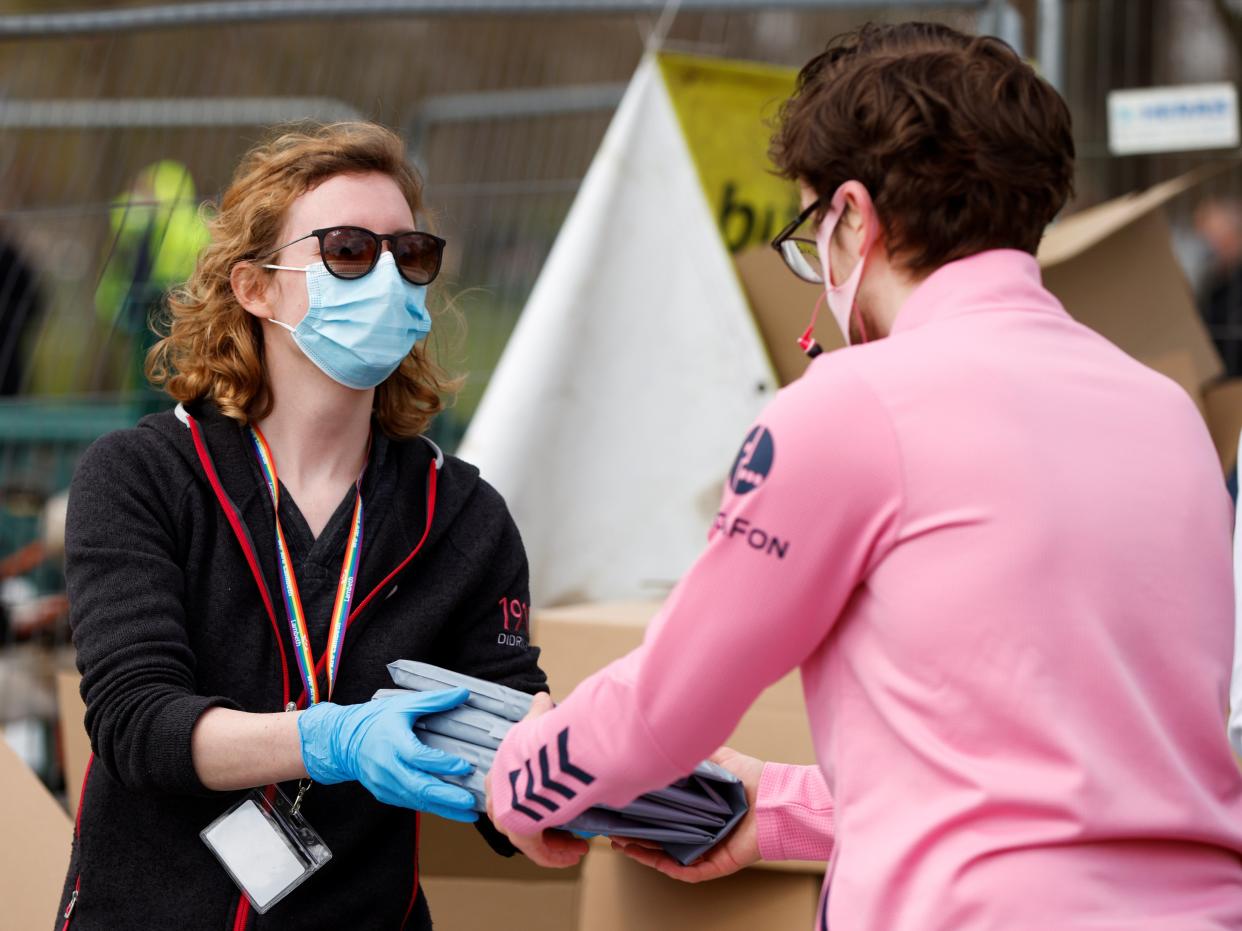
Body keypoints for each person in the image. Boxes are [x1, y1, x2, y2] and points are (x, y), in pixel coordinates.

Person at [485, 22, 1242, 930]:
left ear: (851, 213)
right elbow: (1077, 770)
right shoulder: (1165, 410)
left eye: (811, 228)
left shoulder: (850, 406)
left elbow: (667, 705)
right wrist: (788, 813)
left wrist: (519, 780)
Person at [58, 122, 546, 930]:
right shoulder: (140, 476)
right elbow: (139, 723)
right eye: (349, 250)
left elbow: (508, 742)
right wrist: (333, 738)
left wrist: (568, 778)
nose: (388, 276)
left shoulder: (462, 515)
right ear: (255, 286)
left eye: (410, 254)